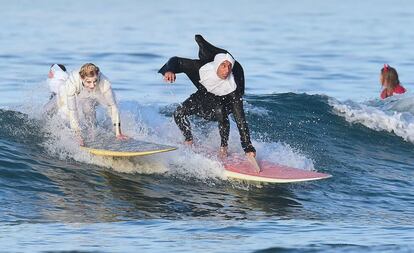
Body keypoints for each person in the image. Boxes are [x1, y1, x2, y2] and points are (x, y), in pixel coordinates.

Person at [158, 35, 256, 158]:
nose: (226, 70)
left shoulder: (233, 89)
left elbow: (240, 119)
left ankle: (224, 147)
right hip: (202, 96)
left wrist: (248, 147)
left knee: (221, 110)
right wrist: (169, 70)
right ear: (217, 65)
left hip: (223, 103)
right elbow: (176, 60)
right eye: (223, 66)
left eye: (229, 66)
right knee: (179, 113)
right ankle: (189, 140)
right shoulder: (201, 69)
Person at [65, 63, 127, 145]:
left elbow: (113, 106)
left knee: (88, 107)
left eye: (95, 81)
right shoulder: (72, 83)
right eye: (88, 82)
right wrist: (77, 136)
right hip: (77, 93)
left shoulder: (104, 82)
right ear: (82, 78)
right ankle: (81, 133)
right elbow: (73, 111)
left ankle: (92, 132)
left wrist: (118, 133)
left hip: (96, 94)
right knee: (65, 109)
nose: (92, 85)